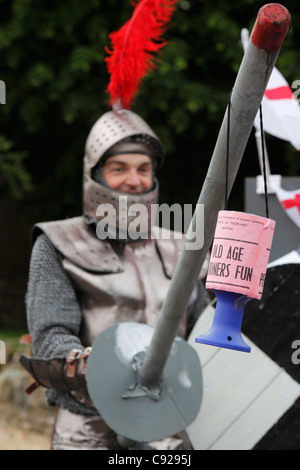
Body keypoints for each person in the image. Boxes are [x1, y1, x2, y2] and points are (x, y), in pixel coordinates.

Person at [21, 108, 209, 450]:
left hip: (170, 432)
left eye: (144, 169)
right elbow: (51, 337)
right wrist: (101, 371)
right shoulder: (58, 244)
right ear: (96, 175)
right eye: (119, 168)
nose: (134, 180)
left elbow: (205, 337)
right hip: (89, 432)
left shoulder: (182, 248)